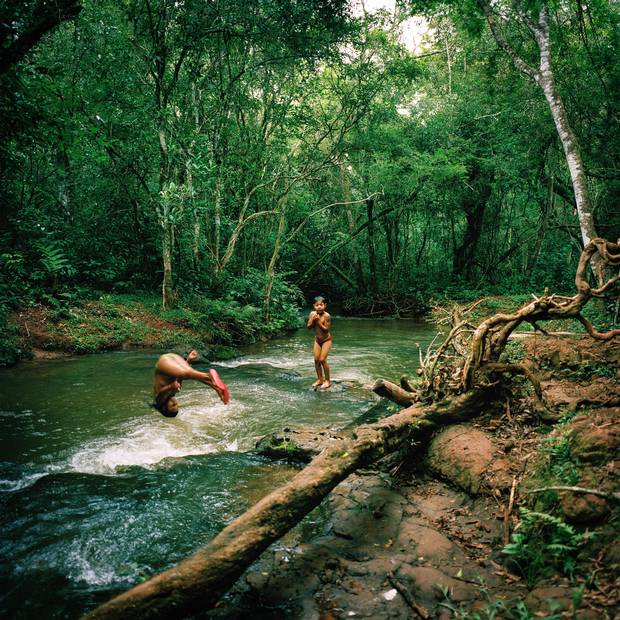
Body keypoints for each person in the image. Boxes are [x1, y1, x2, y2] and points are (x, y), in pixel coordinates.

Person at [152, 350, 230, 417]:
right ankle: (217, 388)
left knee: (188, 374)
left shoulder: (159, 402)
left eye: (172, 405)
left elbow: (161, 393)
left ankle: (208, 377)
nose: (175, 402)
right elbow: (180, 376)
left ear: (164, 408)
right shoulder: (174, 391)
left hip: (163, 363)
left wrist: (171, 386)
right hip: (173, 358)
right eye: (176, 404)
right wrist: (189, 360)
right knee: (190, 375)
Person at [307, 295, 332, 389]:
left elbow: (326, 330)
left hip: (326, 340)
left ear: (325, 305)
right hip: (317, 340)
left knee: (322, 360)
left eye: (321, 305)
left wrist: (318, 322)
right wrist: (313, 320)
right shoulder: (312, 314)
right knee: (316, 360)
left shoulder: (327, 316)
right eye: (317, 305)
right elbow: (308, 327)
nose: (319, 307)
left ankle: (328, 381)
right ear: (314, 306)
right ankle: (320, 379)